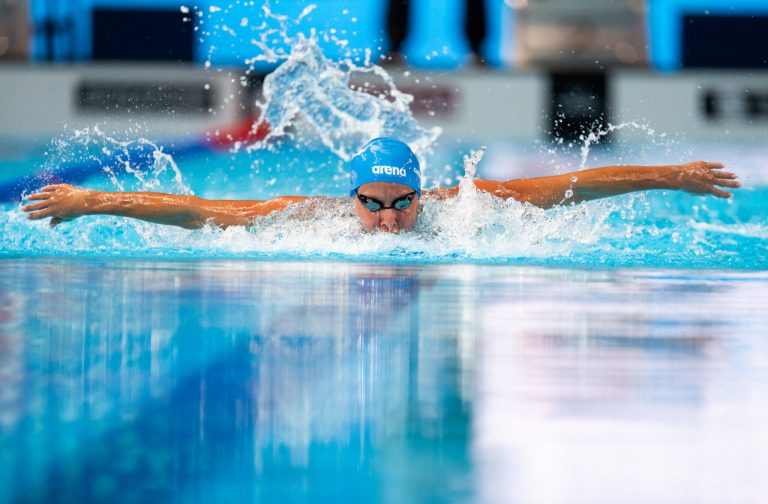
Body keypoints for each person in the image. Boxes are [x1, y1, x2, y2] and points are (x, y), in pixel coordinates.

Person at [21, 137, 740, 234]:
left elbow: (575, 185)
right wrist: (89, 200)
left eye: (402, 204)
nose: (389, 220)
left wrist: (672, 176)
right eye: (375, 205)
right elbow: (201, 209)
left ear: (423, 196)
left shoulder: (469, 209)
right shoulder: (313, 218)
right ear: (354, 197)